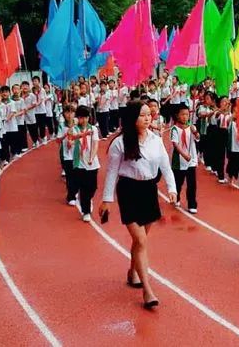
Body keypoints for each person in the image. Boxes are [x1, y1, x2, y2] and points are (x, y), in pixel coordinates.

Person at [99, 100, 177, 309]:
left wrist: (172, 189)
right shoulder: (120, 143)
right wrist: (107, 199)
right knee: (141, 240)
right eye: (142, 115)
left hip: (149, 191)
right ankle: (147, 290)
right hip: (128, 191)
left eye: (148, 114)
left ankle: (132, 271)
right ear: (132, 118)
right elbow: (112, 172)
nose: (147, 118)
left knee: (140, 241)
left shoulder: (156, 140)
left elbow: (166, 166)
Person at [70, 105, 100, 222]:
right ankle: (85, 211)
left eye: (86, 117)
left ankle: (88, 199)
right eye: (81, 118)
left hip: (92, 163)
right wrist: (84, 134)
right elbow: (72, 137)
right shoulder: (75, 129)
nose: (84, 120)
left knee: (93, 187)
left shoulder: (93, 129)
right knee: (83, 188)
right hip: (79, 163)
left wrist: (92, 157)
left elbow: (95, 144)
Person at [169, 104, 199, 213]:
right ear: (177, 116)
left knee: (192, 183)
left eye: (187, 114)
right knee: (178, 181)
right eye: (182, 114)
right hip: (179, 161)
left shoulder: (191, 127)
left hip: (191, 160)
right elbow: (175, 144)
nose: (185, 117)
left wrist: (195, 131)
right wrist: (184, 155)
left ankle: (192, 204)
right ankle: (176, 197)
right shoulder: (174, 129)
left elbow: (198, 138)